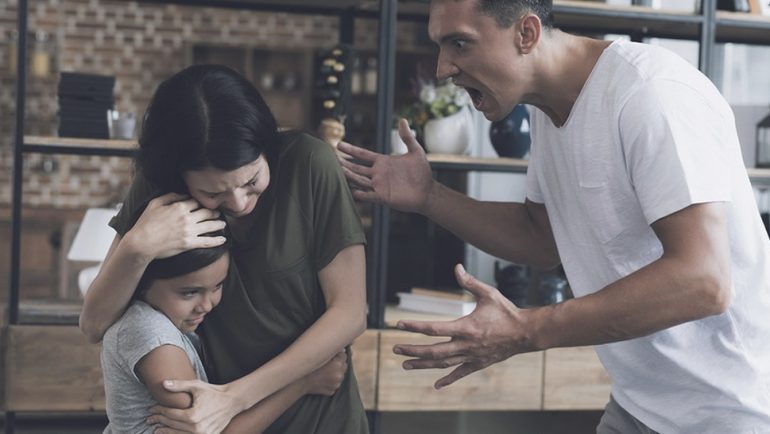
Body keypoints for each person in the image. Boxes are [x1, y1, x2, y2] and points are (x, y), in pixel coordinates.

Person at [337, 0, 770, 433]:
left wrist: (526, 329)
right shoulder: (551, 109)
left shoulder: (650, 92)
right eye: (440, 46)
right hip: (640, 404)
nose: (442, 68)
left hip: (732, 413)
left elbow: (703, 281)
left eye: (460, 44)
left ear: (526, 34)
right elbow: (540, 237)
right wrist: (429, 197)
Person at [80, 64, 369, 434]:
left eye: (251, 181)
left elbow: (349, 314)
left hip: (315, 417)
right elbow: (93, 324)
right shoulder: (157, 184)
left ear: (266, 146)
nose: (239, 203)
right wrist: (138, 246)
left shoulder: (310, 164)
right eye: (213, 192)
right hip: (219, 421)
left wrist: (235, 397)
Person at [102, 201, 350, 434]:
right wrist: (304, 382)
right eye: (189, 292)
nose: (207, 305)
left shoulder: (163, 323)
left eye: (218, 286)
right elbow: (214, 429)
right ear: (143, 280)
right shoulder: (150, 333)